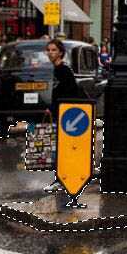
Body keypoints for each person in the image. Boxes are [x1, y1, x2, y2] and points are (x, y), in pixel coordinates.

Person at [43, 38, 87, 193]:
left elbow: (70, 94)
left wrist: (58, 108)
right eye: (48, 50)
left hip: (65, 116)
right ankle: (60, 179)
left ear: (60, 52)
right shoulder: (53, 70)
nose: (50, 53)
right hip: (57, 114)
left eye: (53, 50)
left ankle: (62, 180)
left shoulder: (64, 70)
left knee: (62, 150)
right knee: (59, 149)